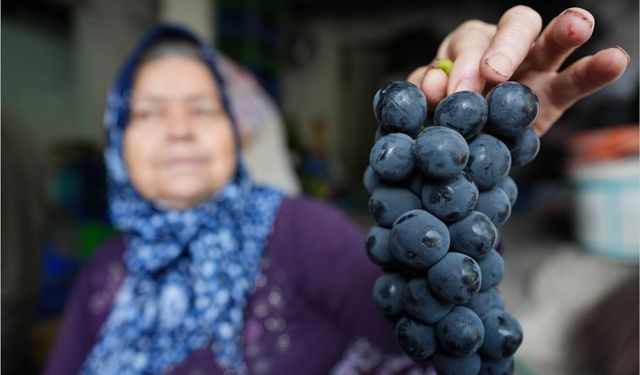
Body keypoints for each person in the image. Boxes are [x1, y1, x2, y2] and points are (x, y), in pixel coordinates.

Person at [43, 5, 628, 375]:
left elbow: (446, 339)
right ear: (119, 142)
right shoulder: (106, 268)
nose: (177, 128)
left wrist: (467, 160)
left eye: (203, 107)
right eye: (147, 112)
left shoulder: (298, 230)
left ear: (239, 132)